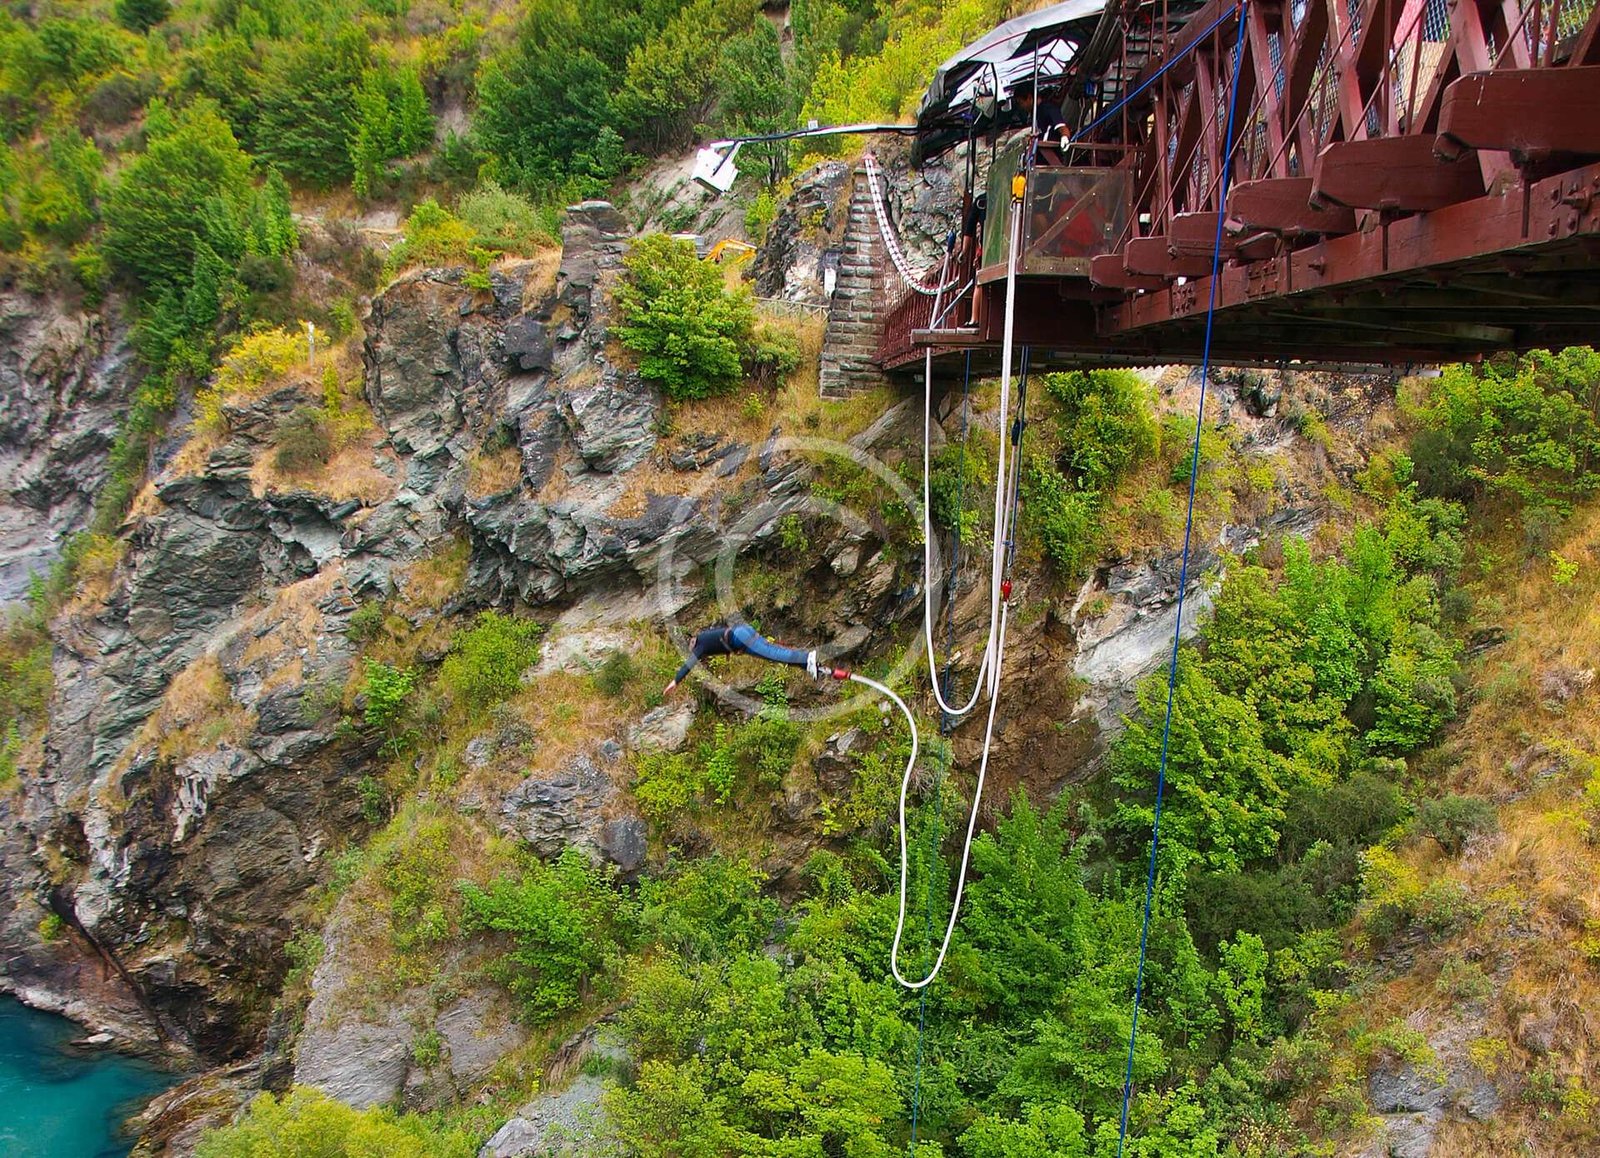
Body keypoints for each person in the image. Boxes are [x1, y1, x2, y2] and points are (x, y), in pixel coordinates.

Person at [663, 622, 819, 694]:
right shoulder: (703, 637)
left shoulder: (700, 646)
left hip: (740, 639)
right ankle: (806, 665)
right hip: (742, 632)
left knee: (774, 654)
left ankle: (807, 658)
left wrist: (675, 681)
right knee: (774, 653)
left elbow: (689, 664)